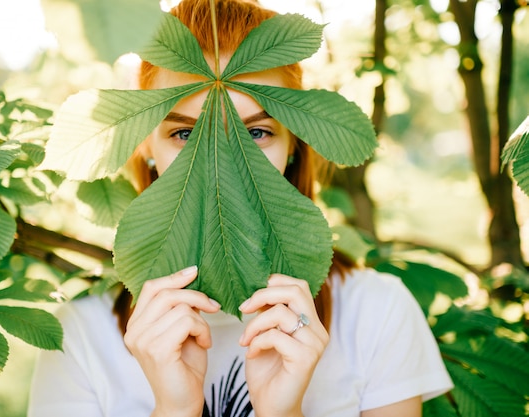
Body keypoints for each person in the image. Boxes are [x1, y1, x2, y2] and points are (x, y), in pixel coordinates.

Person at [28, 0, 453, 416]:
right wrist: (174, 411)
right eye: (183, 133)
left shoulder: (377, 311)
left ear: (294, 146)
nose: (223, 160)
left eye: (256, 132)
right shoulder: (78, 337)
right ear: (146, 147)